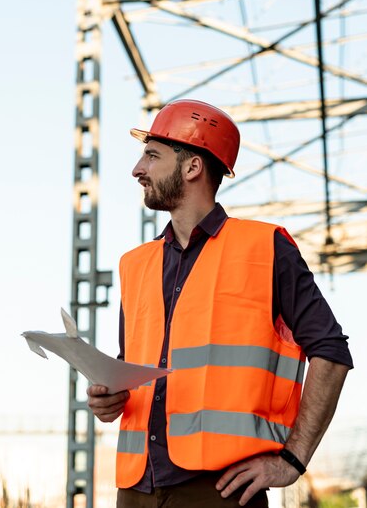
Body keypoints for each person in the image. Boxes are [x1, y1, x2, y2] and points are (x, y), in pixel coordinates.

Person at [88, 99, 353, 508]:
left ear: (192, 167)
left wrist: (292, 460)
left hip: (219, 491)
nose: (138, 170)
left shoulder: (266, 248)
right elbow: (138, 372)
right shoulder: (134, 265)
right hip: (135, 487)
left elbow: (331, 352)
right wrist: (110, 398)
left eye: (152, 156)